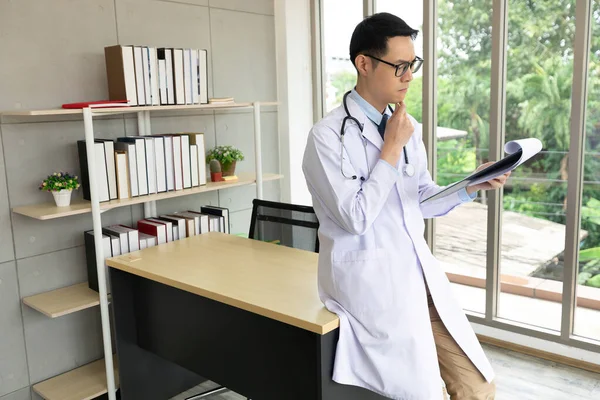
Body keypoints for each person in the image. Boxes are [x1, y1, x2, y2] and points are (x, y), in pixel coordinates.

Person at [302, 12, 510, 400]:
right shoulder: (327, 138)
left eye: (412, 65)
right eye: (399, 66)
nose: (409, 76)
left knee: (477, 386)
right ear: (364, 64)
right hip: (371, 287)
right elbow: (356, 217)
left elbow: (420, 199)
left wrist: (471, 185)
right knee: (422, 393)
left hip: (417, 276)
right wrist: (391, 148)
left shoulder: (404, 126)